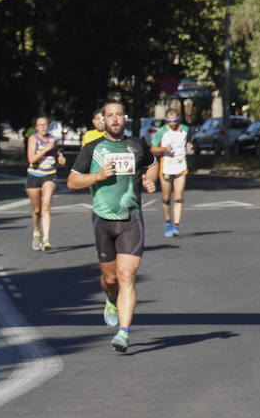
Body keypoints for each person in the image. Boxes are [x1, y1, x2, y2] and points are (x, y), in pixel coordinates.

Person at [67, 101, 158, 353]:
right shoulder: (92, 148)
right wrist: (97, 176)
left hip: (131, 219)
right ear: (102, 120)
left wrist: (150, 181)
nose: (115, 119)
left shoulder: (138, 144)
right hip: (102, 220)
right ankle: (110, 299)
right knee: (110, 279)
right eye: (110, 115)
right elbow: (72, 182)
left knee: (127, 276)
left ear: (124, 118)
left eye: (119, 115)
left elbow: (151, 165)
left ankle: (123, 332)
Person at [150, 109, 193, 237]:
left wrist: (189, 145)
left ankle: (176, 225)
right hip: (166, 168)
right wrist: (164, 149)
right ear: (166, 120)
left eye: (175, 121)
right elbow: (152, 149)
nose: (173, 124)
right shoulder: (162, 131)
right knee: (166, 198)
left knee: (179, 197)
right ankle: (168, 221)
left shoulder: (185, 129)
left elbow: (188, 140)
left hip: (181, 166)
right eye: (170, 121)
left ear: (178, 119)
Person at [26, 116, 66, 251]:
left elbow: (57, 153)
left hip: (49, 175)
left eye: (45, 125)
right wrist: (44, 149)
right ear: (36, 127)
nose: (43, 127)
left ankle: (46, 239)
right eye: (40, 125)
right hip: (34, 176)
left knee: (46, 207)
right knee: (36, 210)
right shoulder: (33, 139)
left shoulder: (53, 139)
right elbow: (31, 159)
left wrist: (60, 158)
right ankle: (37, 231)